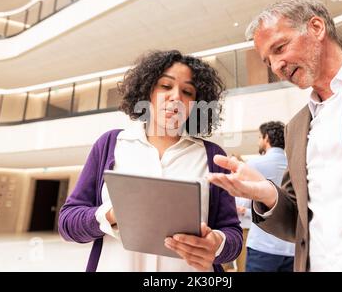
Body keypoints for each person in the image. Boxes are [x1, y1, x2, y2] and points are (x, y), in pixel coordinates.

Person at [208, 0, 342, 271]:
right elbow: (299, 223)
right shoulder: (296, 128)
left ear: (316, 28)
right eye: (268, 62)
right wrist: (267, 193)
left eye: (280, 48)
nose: (277, 66)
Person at [58, 50, 242, 272]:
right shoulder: (110, 144)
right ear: (148, 91)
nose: (176, 97)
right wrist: (113, 214)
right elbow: (68, 223)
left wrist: (217, 243)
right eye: (166, 86)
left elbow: (233, 237)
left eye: (187, 91)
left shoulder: (212, 156)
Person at [236, 121, 295, 272]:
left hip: (262, 246)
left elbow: (244, 201)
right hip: (291, 248)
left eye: (259, 137)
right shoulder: (294, 163)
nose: (258, 141)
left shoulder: (254, 163)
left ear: (266, 137)